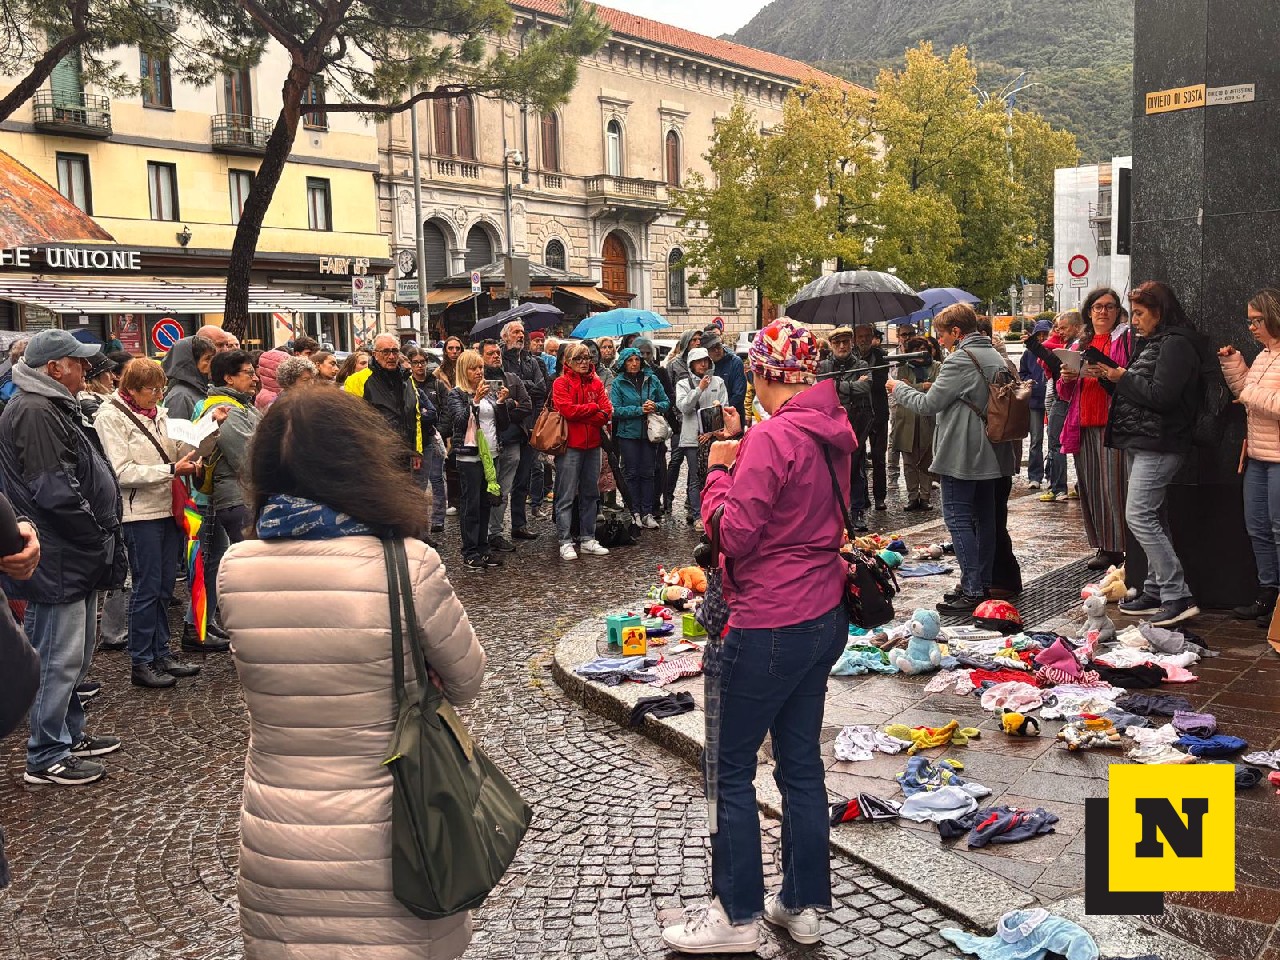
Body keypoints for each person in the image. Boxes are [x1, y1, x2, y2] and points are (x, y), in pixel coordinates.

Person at [217, 388, 486, 960]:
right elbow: (467, 678)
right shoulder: (407, 563)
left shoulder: (235, 568)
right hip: (394, 828)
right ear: (362, 460)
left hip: (278, 830)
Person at [662, 318, 852, 955]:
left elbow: (734, 535)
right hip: (823, 612)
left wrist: (719, 470)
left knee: (730, 770)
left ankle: (735, 913)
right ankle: (802, 902)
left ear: (764, 372)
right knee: (800, 763)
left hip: (768, 618)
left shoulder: (773, 436)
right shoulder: (832, 427)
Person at [0, 330, 124, 785]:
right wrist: (94, 534)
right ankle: (47, 753)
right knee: (57, 656)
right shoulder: (35, 409)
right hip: (60, 553)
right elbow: (53, 489)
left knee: (70, 655)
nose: (86, 368)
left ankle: (67, 735)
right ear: (55, 368)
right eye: (78, 361)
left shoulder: (48, 404)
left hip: (70, 550)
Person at [887, 304, 1018, 613]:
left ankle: (972, 589)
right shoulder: (993, 355)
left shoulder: (960, 359)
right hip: (992, 452)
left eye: (942, 334)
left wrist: (899, 388)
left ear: (956, 332)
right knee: (984, 520)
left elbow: (928, 405)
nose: (940, 340)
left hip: (963, 453)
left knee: (958, 519)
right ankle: (981, 583)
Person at [94, 358, 205, 688]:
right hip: (138, 514)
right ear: (130, 389)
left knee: (164, 587)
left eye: (161, 389)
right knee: (146, 588)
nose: (158, 395)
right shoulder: (111, 417)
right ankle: (141, 660)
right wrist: (170, 471)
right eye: (151, 390)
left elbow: (176, 452)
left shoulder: (160, 413)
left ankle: (162, 653)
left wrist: (205, 433)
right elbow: (120, 471)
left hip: (166, 508)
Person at [1100, 281, 1203, 627]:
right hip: (1145, 439)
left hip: (1161, 442)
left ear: (1160, 312)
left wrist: (1123, 377)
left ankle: (1177, 594)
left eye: (1141, 314)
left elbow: (1162, 396)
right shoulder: (1156, 342)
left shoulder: (1176, 344)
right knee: (1153, 515)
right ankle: (1156, 590)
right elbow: (1141, 392)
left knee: (1140, 515)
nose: (1135, 321)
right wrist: (1110, 378)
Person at [190, 350, 262, 649]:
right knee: (246, 570)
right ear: (228, 378)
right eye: (248, 373)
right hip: (236, 497)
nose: (255, 378)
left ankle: (206, 625)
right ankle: (244, 633)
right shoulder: (225, 409)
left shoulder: (243, 405)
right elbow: (246, 458)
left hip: (243, 496)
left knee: (220, 564)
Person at [1057, 288, 1132, 570]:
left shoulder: (1125, 339)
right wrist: (1067, 377)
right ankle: (1104, 545)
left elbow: (1131, 376)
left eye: (1109, 307)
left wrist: (1111, 374)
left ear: (1117, 311)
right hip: (1084, 424)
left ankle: (1122, 546)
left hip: (1113, 423)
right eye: (1098, 307)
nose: (1103, 312)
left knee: (1115, 488)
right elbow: (1065, 393)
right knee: (1091, 488)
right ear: (1089, 312)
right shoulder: (1079, 344)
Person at [1221, 289, 1280, 632]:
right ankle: (1267, 594)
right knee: (1258, 528)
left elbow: (1262, 400)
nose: (1252, 327)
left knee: (1278, 530)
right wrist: (1234, 364)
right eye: (1250, 321)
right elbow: (1246, 392)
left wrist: (1249, 393)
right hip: (1257, 456)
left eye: (1257, 320)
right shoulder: (1263, 356)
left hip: (1278, 460)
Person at [447, 349, 509, 571]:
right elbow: (459, 420)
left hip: (491, 454)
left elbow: (503, 424)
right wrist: (474, 401)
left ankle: (484, 548)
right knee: (471, 505)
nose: (479, 371)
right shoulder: (456, 394)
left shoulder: (488, 392)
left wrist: (501, 403)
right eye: (473, 368)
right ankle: (470, 551)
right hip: (469, 456)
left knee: (486, 504)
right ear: (464, 370)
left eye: (481, 367)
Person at [551, 343, 612, 560]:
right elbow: (567, 410)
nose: (584, 362)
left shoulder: (596, 382)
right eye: (579, 358)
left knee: (591, 494)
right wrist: (593, 409)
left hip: (592, 445)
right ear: (568, 361)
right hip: (570, 446)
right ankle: (565, 541)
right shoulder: (561, 383)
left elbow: (607, 411)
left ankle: (588, 538)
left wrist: (587, 413)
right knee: (566, 496)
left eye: (587, 358)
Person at [816, 326, 874, 530]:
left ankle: (857, 512)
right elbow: (823, 390)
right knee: (832, 468)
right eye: (837, 343)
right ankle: (833, 512)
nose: (842, 346)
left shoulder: (861, 364)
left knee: (856, 467)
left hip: (857, 422)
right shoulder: (824, 366)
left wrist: (838, 386)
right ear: (832, 345)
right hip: (831, 423)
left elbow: (865, 387)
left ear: (851, 343)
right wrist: (851, 386)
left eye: (846, 342)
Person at [1024, 311, 1085, 503]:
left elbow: (1055, 362)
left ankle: (1059, 488)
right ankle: (1073, 487)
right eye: (1058, 328)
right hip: (1065, 397)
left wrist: (1034, 346)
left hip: (1065, 398)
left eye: (1064, 328)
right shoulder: (1072, 344)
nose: (1060, 331)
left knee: (1057, 443)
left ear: (1076, 327)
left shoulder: (1076, 345)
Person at [609, 346, 670, 528]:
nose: (634, 363)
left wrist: (655, 406)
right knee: (632, 473)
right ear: (624, 363)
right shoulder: (618, 383)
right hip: (628, 434)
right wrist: (638, 410)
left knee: (648, 473)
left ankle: (647, 512)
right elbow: (615, 410)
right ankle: (634, 511)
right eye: (630, 360)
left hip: (649, 434)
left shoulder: (652, 379)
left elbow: (666, 402)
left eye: (637, 360)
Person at [480, 339, 531, 553]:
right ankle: (482, 534)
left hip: (511, 443)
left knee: (504, 490)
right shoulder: (478, 380)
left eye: (497, 353)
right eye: (490, 353)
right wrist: (509, 405)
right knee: (486, 489)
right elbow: (481, 412)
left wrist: (504, 412)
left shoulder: (512, 379)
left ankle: (496, 533)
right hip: (486, 446)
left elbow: (526, 406)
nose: (495, 356)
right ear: (481, 357)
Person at [344, 334, 422, 473]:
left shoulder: (406, 379)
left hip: (403, 454)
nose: (391, 356)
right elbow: (350, 421)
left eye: (395, 351)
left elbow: (414, 415)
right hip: (374, 457)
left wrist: (416, 450)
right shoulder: (357, 380)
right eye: (385, 352)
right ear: (375, 354)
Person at [499, 320, 547, 543]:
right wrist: (521, 390)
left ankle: (519, 524)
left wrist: (519, 388)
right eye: (515, 332)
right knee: (502, 479)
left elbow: (541, 389)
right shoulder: (499, 359)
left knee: (523, 478)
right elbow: (503, 391)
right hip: (508, 426)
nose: (520, 336)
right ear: (505, 337)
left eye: (522, 332)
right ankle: (495, 528)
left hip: (529, 424)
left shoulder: (531, 360)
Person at [674, 346, 727, 530]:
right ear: (691, 364)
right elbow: (684, 407)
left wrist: (711, 432)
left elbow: (723, 408)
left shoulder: (718, 382)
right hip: (692, 438)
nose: (703, 364)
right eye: (698, 361)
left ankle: (713, 512)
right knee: (695, 477)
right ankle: (697, 515)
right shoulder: (683, 384)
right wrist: (698, 389)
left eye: (705, 360)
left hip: (713, 438)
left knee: (713, 476)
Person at [893, 337, 940, 511]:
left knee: (927, 458)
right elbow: (899, 389)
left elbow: (936, 388)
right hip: (907, 419)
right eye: (916, 350)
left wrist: (912, 386)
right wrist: (922, 386)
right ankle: (912, 496)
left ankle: (925, 496)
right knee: (909, 461)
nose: (920, 353)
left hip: (928, 418)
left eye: (923, 349)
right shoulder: (903, 368)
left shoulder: (936, 367)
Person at [406, 346, 449, 534]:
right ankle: (419, 522)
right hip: (414, 441)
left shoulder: (437, 384)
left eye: (422, 362)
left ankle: (438, 519)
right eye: (415, 363)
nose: (419, 366)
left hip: (433, 437)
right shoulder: (407, 384)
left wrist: (440, 431)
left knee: (437, 478)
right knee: (418, 484)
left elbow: (444, 411)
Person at [852, 324, 891, 511]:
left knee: (878, 458)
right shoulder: (851, 356)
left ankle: (880, 497)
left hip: (878, 412)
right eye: (860, 336)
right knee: (858, 457)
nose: (864, 339)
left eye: (867, 336)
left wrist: (863, 380)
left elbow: (879, 382)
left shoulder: (881, 356)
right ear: (855, 338)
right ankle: (862, 496)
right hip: (858, 413)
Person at [1019, 320, 1051, 490]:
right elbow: (1022, 373)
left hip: (1053, 399)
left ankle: (1052, 474)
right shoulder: (1028, 353)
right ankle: (1035, 476)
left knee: (1054, 440)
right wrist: (1028, 381)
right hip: (1035, 399)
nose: (1042, 338)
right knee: (1036, 439)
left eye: (1045, 334)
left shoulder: (1053, 350)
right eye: (1039, 335)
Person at [160, 335, 216, 421]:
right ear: (190, 363)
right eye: (207, 359)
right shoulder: (179, 396)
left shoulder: (203, 389)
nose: (212, 363)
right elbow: (176, 429)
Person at [703, 331, 746, 421]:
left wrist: (720, 412)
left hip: (732, 416)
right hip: (710, 418)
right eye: (712, 348)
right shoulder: (703, 366)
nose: (717, 350)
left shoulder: (734, 362)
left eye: (718, 346)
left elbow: (738, 394)